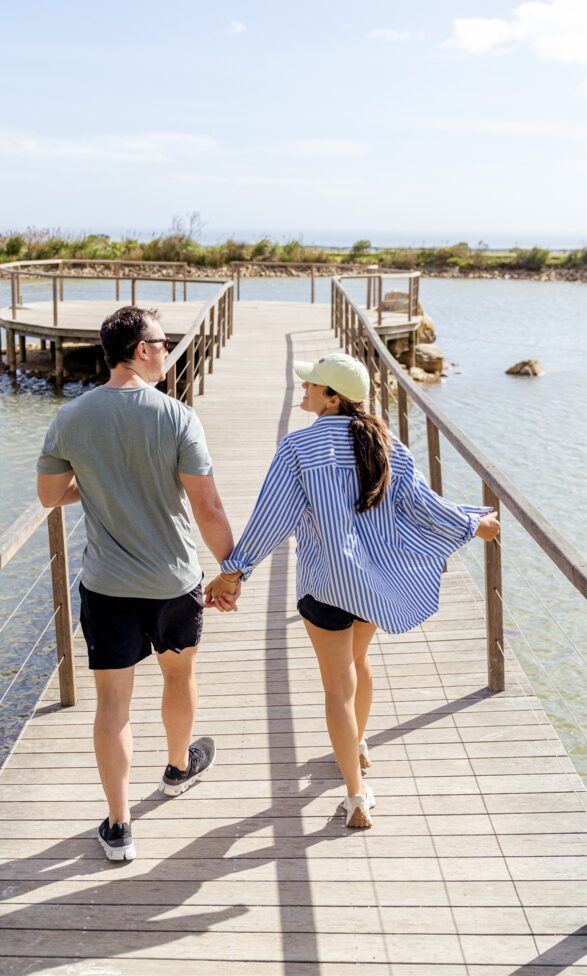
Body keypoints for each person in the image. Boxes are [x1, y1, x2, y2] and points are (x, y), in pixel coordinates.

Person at [205, 352, 499, 830]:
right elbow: (425, 507)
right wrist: (473, 522)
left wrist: (232, 573)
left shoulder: (298, 449)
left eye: (311, 385)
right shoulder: (387, 445)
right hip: (374, 583)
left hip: (325, 586)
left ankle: (356, 796)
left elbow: (269, 521)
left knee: (337, 687)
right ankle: (358, 746)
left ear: (332, 396)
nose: (303, 389)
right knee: (360, 664)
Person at [37, 306, 235, 861]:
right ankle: (177, 768)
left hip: (107, 585)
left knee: (112, 707)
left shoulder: (70, 417)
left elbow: (51, 496)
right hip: (173, 580)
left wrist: (98, 488)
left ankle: (119, 826)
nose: (168, 350)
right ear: (141, 349)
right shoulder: (176, 417)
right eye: (163, 342)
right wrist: (232, 570)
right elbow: (208, 506)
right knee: (178, 675)